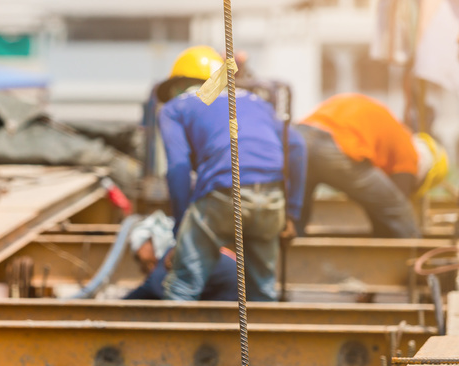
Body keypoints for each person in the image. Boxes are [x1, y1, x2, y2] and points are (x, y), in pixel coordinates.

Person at [156, 46, 306, 302]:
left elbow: (179, 168)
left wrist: (180, 229)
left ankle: (174, 340)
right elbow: (297, 147)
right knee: (262, 292)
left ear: (177, 85)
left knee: (183, 286)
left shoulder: (175, 108)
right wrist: (292, 212)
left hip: (222, 195)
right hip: (271, 199)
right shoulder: (256, 102)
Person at [296, 93, 449, 238]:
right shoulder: (411, 156)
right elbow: (393, 202)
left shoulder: (395, 135)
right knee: (399, 209)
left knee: (297, 212)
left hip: (298, 138)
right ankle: (419, 258)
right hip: (336, 143)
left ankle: (291, 256)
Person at [124, 212, 238, 301]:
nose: (138, 259)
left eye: (137, 253)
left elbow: (151, 288)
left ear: (149, 242)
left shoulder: (171, 257)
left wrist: (117, 306)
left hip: (233, 300)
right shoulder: (185, 249)